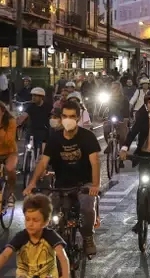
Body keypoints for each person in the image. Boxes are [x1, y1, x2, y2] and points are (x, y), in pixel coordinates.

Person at [23, 99, 100, 257]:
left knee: (86, 209)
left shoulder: (88, 137)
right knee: (50, 214)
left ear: (78, 118)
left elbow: (95, 162)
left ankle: (87, 237)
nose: (68, 119)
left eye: (72, 116)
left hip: (83, 184)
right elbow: (43, 161)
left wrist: (95, 185)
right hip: (61, 184)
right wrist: (32, 183)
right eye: (65, 116)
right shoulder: (55, 138)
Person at [21, 87, 53, 153]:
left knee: (43, 152)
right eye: (32, 95)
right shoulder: (30, 106)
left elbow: (53, 117)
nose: (33, 97)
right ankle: (27, 160)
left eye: (35, 95)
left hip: (43, 132)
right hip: (31, 131)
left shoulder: (48, 107)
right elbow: (23, 116)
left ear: (41, 97)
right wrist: (17, 121)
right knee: (27, 151)